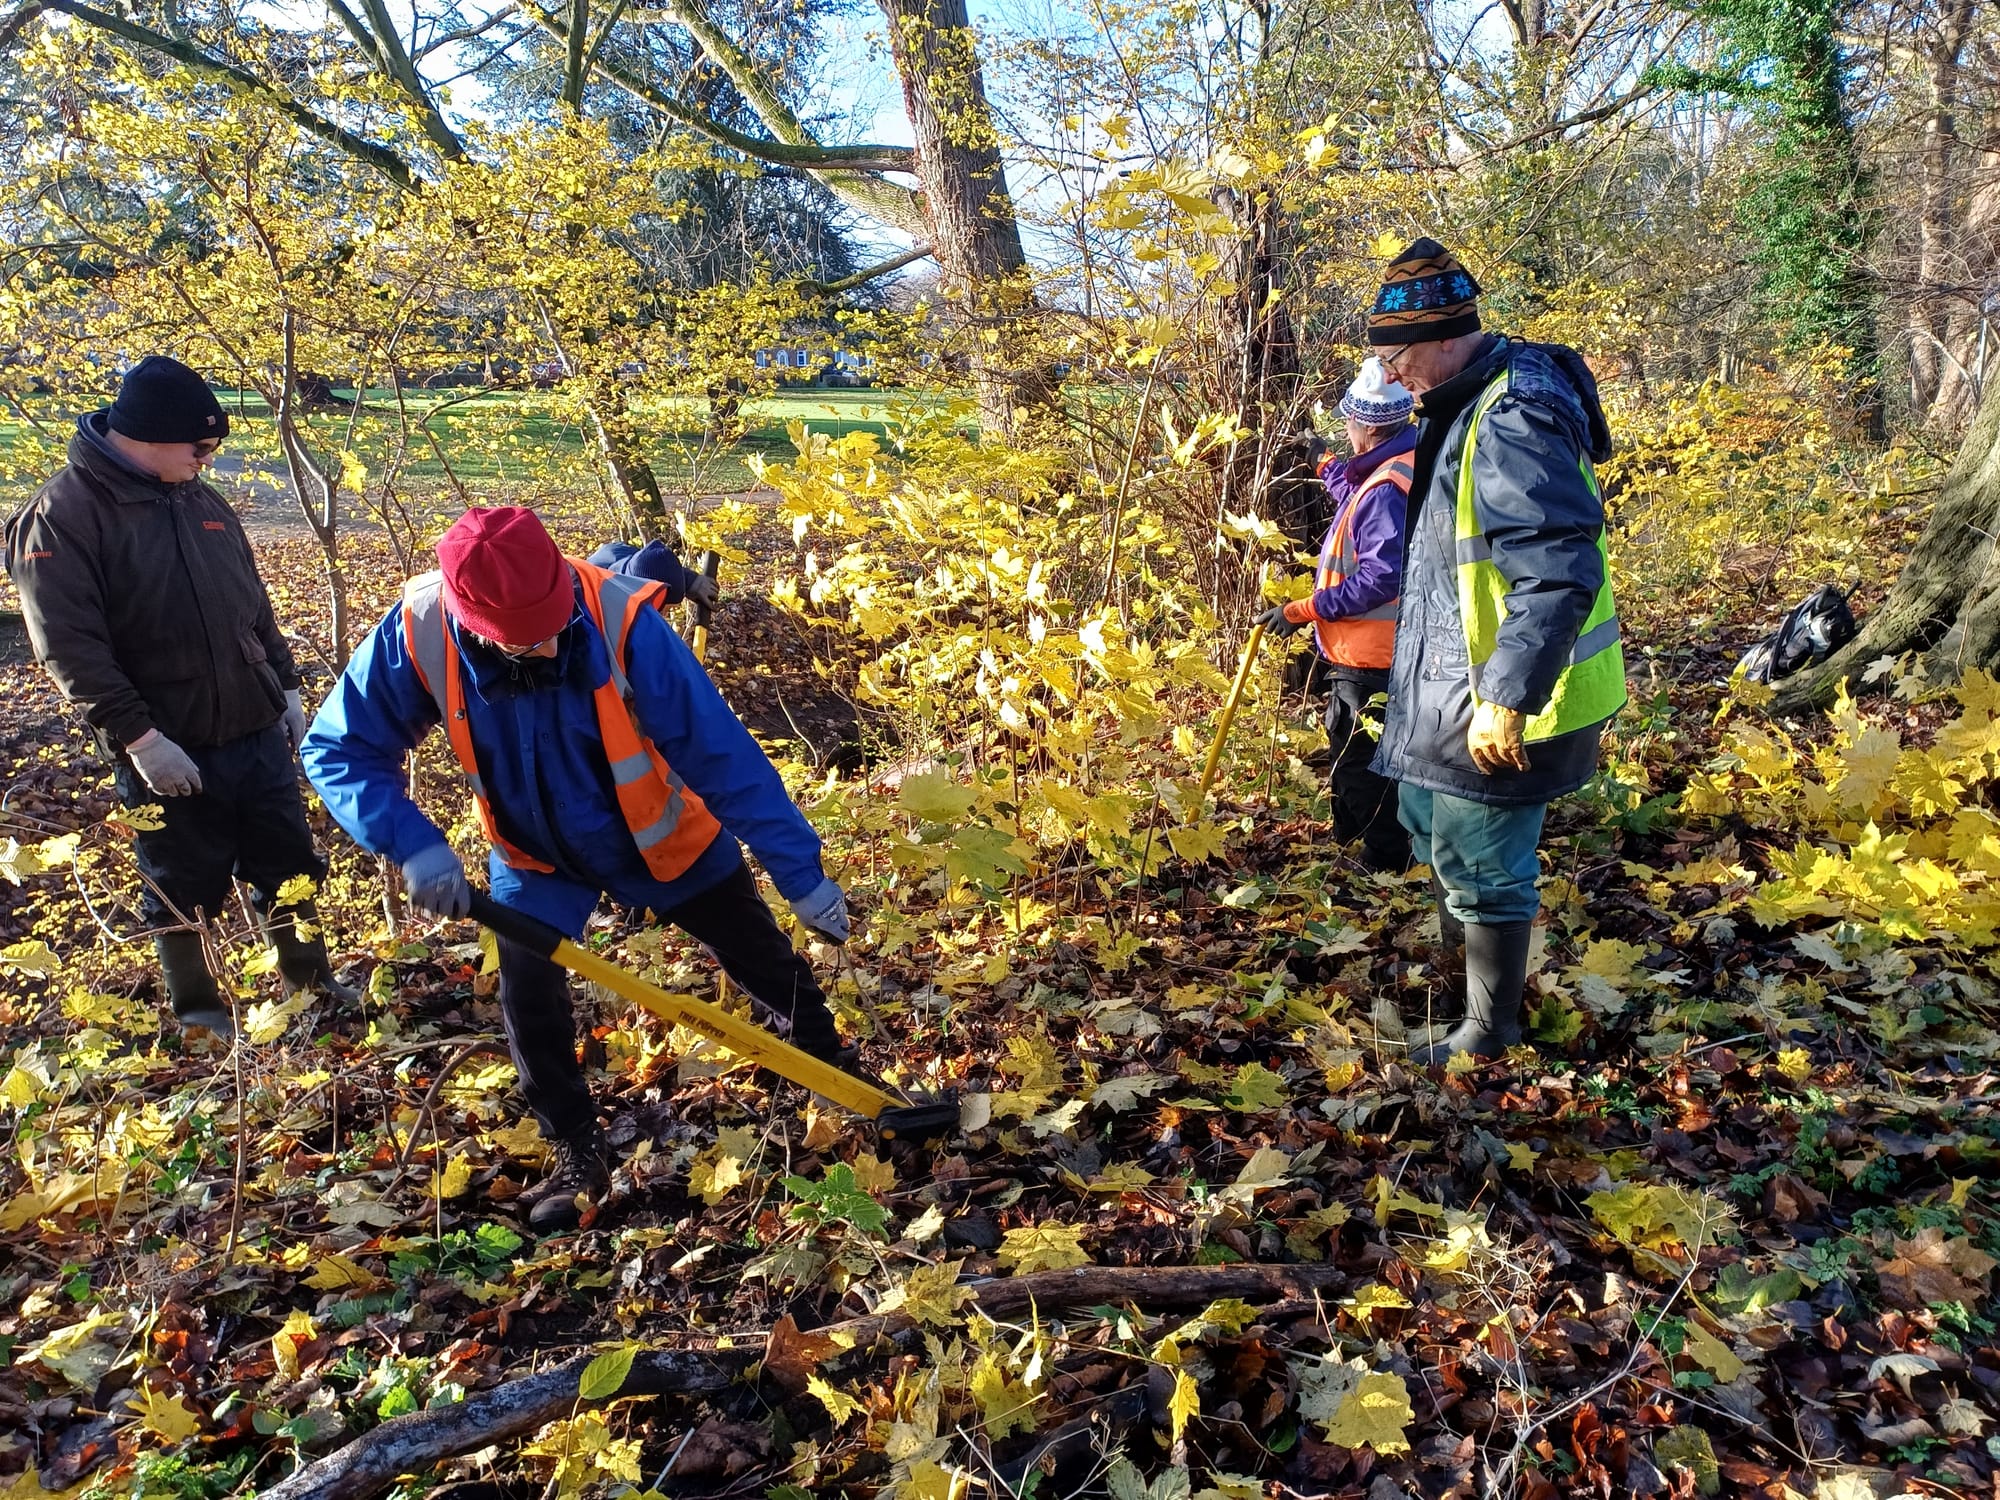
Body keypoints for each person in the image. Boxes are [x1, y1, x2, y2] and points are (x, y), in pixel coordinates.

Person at [301, 505, 853, 1232]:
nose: (548, 640)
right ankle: (574, 1145)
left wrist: (800, 872)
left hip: (663, 833)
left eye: (553, 621)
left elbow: (718, 752)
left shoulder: (621, 619)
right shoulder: (419, 630)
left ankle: (833, 1074)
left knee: (760, 954)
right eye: (523, 637)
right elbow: (338, 749)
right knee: (527, 996)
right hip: (535, 856)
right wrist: (409, 840)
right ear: (472, 619)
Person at [3, 356, 352, 1038]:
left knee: (289, 864)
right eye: (198, 446)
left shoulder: (197, 497)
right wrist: (141, 740)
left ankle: (312, 986)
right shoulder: (62, 516)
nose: (207, 459)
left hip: (253, 727)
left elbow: (252, 603)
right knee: (178, 884)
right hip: (168, 742)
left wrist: (283, 685)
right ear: (149, 435)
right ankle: (198, 1013)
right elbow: (69, 647)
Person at [1362, 239, 1626, 1063]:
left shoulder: (1511, 417)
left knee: (1483, 859)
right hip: (1452, 681)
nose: (1391, 375)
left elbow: (1555, 565)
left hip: (1497, 692)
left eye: (1397, 355)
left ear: (1445, 338)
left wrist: (1509, 695)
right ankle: (1460, 988)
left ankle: (1488, 1035)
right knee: (1433, 825)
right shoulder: (1463, 405)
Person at [1258, 358, 1416, 872]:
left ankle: (1381, 861)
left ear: (1367, 427)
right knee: (1376, 759)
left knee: (1360, 765)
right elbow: (1358, 503)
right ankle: (1375, 848)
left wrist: (1302, 609)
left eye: (1349, 423)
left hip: (1371, 656)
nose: (1346, 431)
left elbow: (1379, 577)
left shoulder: (1388, 487)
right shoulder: (1399, 466)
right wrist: (1325, 465)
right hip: (1384, 651)